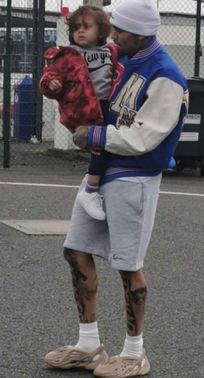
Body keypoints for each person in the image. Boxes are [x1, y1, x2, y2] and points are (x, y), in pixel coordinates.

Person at [44, 0, 189, 377]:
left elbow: (145, 136)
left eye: (119, 31)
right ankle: (89, 346)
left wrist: (92, 134)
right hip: (105, 168)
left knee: (129, 265)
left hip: (135, 176)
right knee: (75, 251)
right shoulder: (123, 58)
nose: (112, 36)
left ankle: (135, 352)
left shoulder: (165, 74)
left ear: (139, 33)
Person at [39, 5, 117, 221]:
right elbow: (48, 76)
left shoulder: (111, 51)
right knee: (99, 148)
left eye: (86, 27)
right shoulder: (67, 55)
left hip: (108, 105)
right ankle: (90, 191)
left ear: (101, 31)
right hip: (85, 110)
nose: (80, 32)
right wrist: (51, 84)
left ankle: (99, 186)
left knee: (113, 143)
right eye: (76, 28)